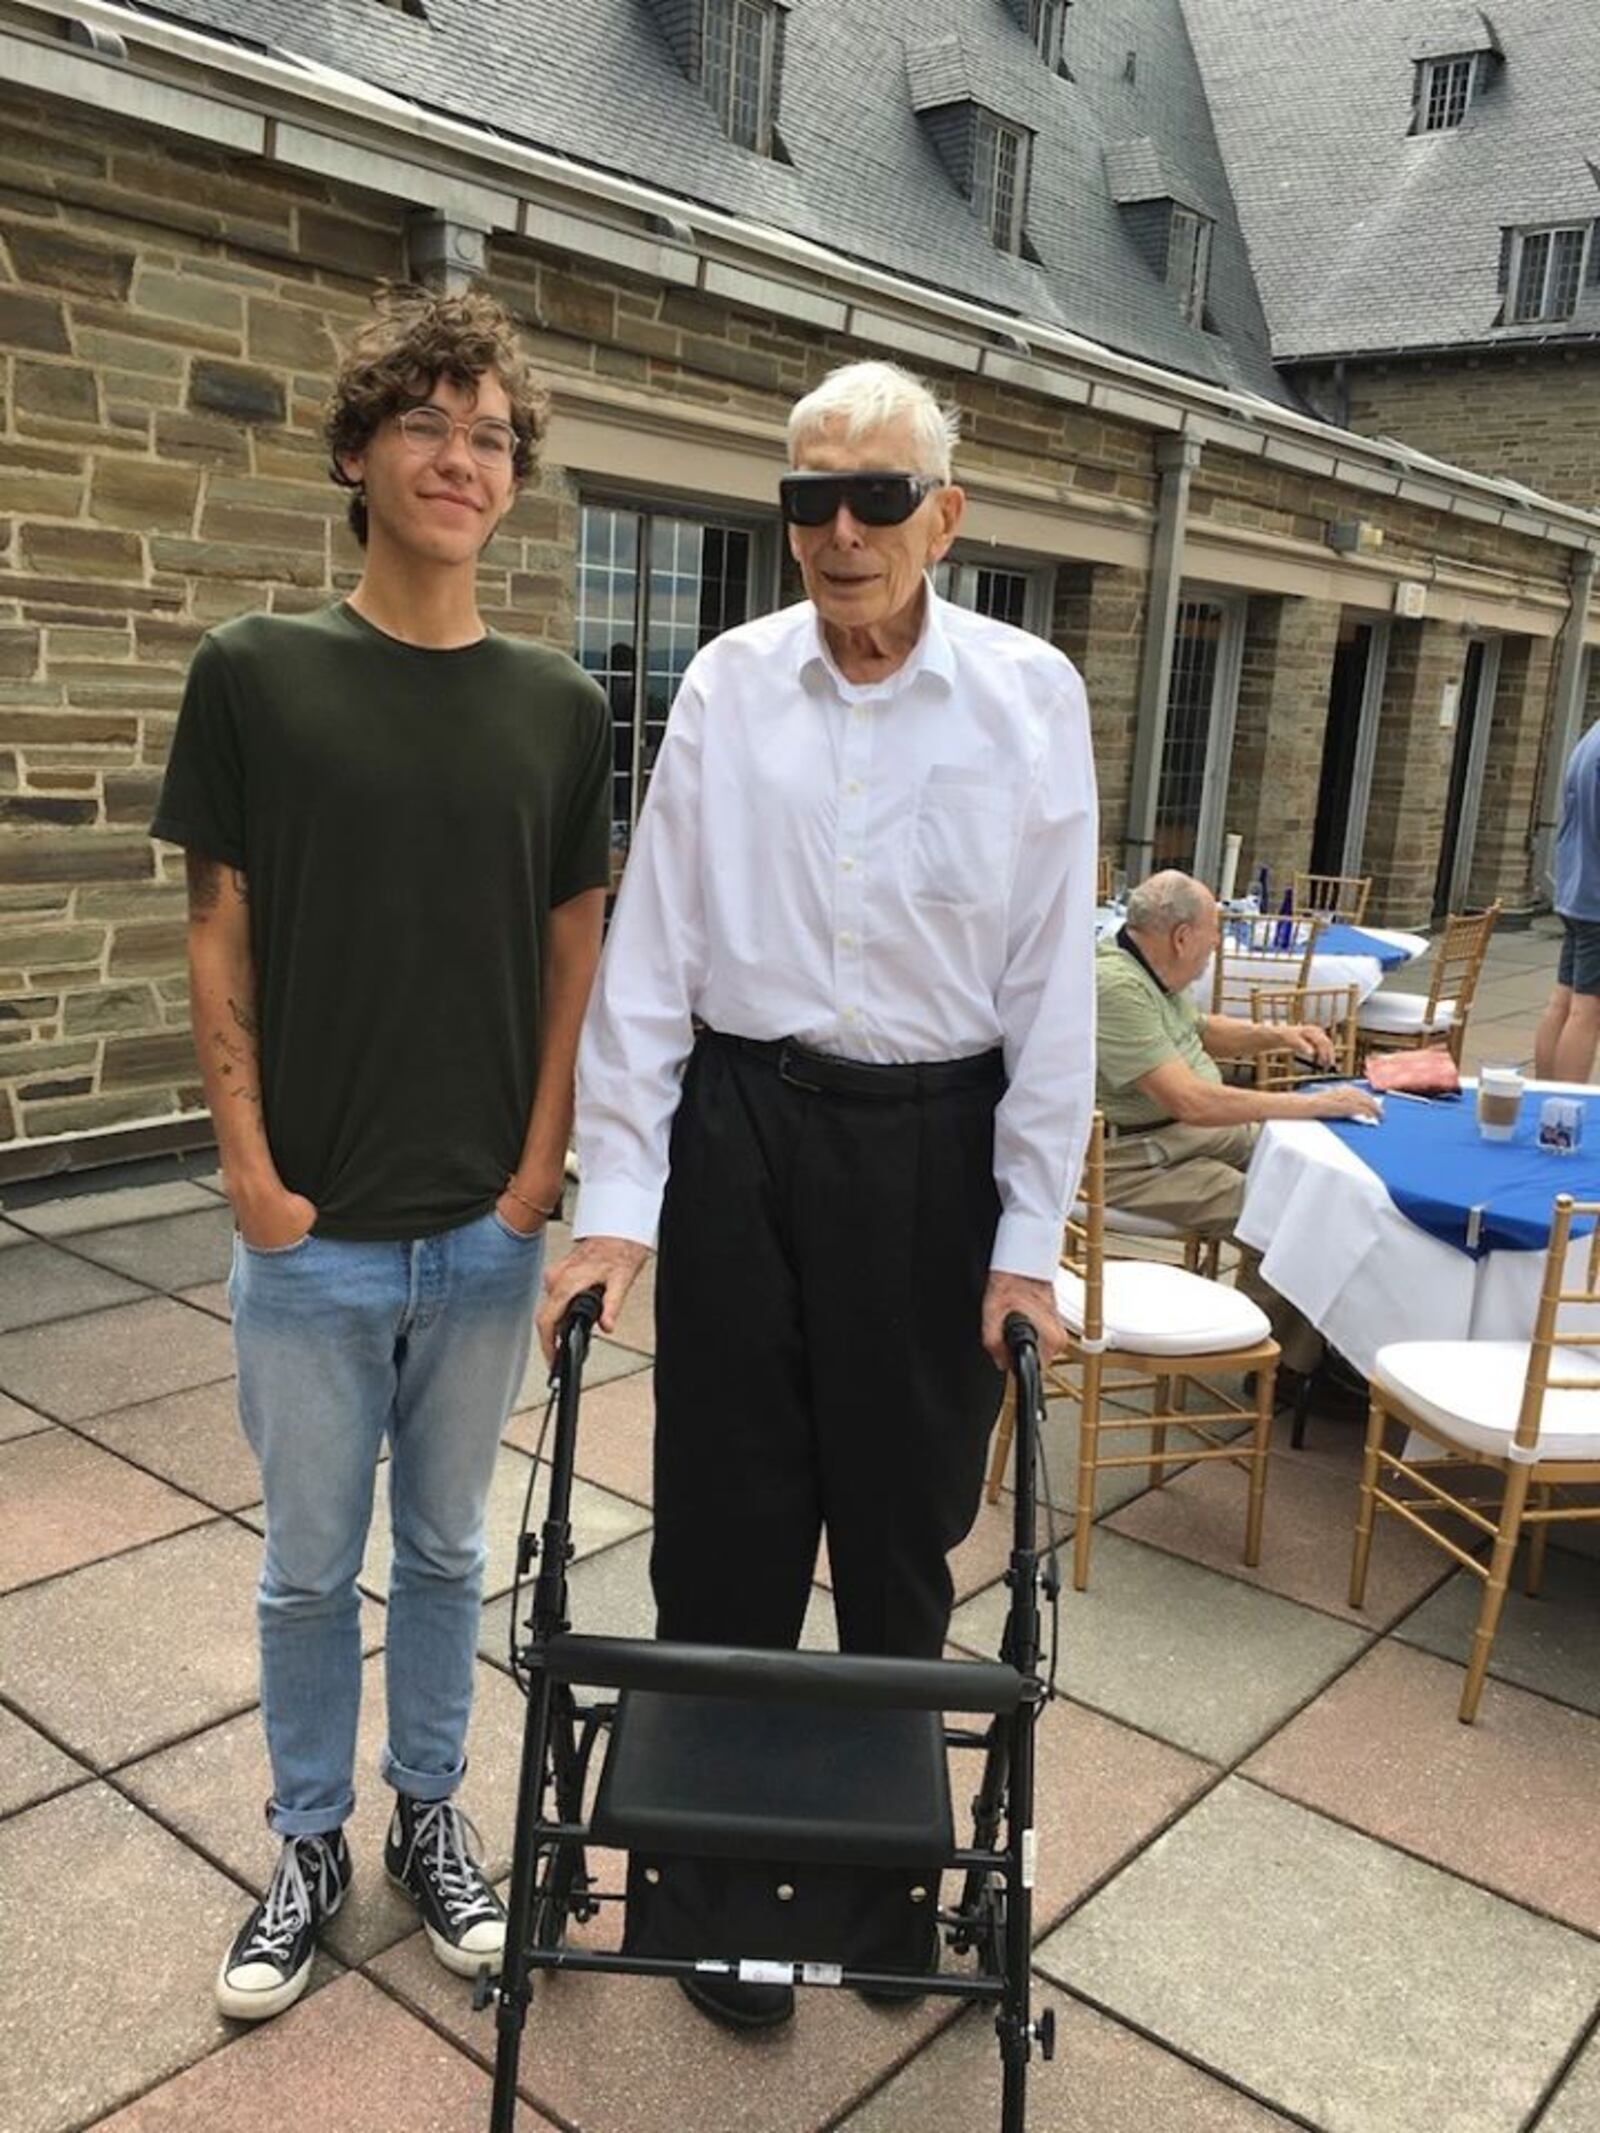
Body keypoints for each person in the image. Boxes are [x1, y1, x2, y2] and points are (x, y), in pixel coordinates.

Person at [539, 358, 1097, 2030]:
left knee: (904, 1534)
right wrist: (616, 1197)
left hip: (934, 1140)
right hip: (744, 1128)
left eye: (875, 496)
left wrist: (1026, 1237)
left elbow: (1050, 991)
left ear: (947, 511)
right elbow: (657, 951)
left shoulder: (1030, 695)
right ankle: (713, 1904)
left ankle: (876, 1899)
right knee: (724, 1521)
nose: (839, 531)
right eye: (809, 499)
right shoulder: (726, 683)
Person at [151, 286, 610, 2022]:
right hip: (314, 1232)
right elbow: (218, 934)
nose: (461, 457)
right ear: (359, 452)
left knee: (442, 1554)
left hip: (485, 1233)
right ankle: (305, 1841)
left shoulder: (558, 706)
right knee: (298, 1562)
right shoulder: (255, 673)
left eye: (491, 435)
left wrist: (533, 1175)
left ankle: (432, 1816)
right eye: (428, 422)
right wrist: (253, 1176)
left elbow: (580, 949)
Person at [1096, 871, 1380, 1377]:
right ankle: (1282, 1368)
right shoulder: (1116, 985)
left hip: (1178, 1138)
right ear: (1182, 937)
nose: (1215, 947)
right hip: (1133, 1162)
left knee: (1316, 1171)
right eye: (1213, 933)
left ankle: (1327, 1338)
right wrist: (1310, 1103)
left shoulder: (1143, 965)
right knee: (1284, 1209)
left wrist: (1281, 1036)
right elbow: (1191, 1101)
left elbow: (1201, 1030)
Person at [1535, 717, 1600, 1082]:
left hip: (1576, 889)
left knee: (1563, 1000)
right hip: (1596, 897)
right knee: (1587, 1010)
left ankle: (1542, 1097)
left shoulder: (1591, 735)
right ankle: (1564, 1108)